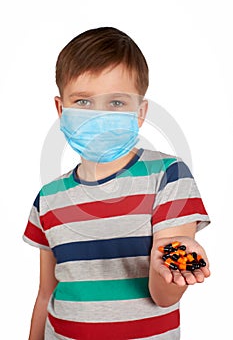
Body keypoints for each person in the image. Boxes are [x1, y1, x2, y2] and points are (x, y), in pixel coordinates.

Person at [23, 27, 211, 340]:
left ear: (140, 112)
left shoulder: (168, 176)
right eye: (83, 101)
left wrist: (171, 266)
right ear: (60, 110)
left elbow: (163, 296)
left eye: (116, 103)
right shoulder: (48, 197)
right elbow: (46, 293)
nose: (98, 117)